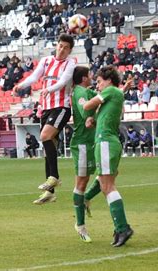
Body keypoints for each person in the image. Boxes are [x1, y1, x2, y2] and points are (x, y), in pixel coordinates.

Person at [12, 34, 76, 204]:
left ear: (70, 50)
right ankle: (50, 192)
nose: (62, 50)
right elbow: (34, 77)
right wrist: (21, 85)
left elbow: (63, 82)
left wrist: (50, 89)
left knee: (45, 136)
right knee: (49, 147)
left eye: (66, 48)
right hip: (46, 108)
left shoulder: (70, 63)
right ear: (57, 45)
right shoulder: (46, 60)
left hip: (61, 106)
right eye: (60, 45)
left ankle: (54, 177)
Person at [83, 65, 133, 247]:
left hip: (105, 141)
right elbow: (105, 114)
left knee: (108, 186)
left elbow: (88, 105)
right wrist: (93, 119)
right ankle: (87, 198)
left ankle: (122, 227)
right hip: (109, 140)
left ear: (109, 80)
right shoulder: (115, 93)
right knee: (105, 180)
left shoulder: (111, 91)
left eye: (99, 81)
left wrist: (82, 101)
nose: (97, 85)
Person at [69, 66, 99, 242]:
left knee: (109, 172)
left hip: (94, 140)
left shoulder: (88, 91)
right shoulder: (80, 92)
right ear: (84, 77)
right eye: (90, 74)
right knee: (81, 182)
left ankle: (87, 198)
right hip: (82, 143)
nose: (92, 76)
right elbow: (84, 113)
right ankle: (80, 225)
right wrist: (94, 118)